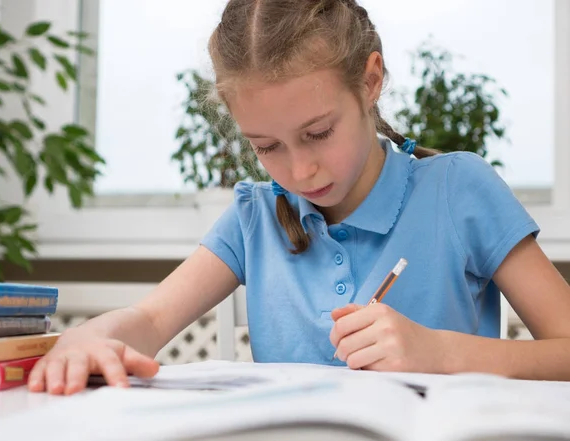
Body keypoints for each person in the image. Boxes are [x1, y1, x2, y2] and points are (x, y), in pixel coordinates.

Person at [29, 0, 570, 395]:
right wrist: (89, 337)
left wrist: (442, 353)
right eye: (266, 146)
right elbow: (147, 322)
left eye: (318, 133)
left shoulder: (460, 190)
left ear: (371, 80)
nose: (300, 170)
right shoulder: (253, 216)